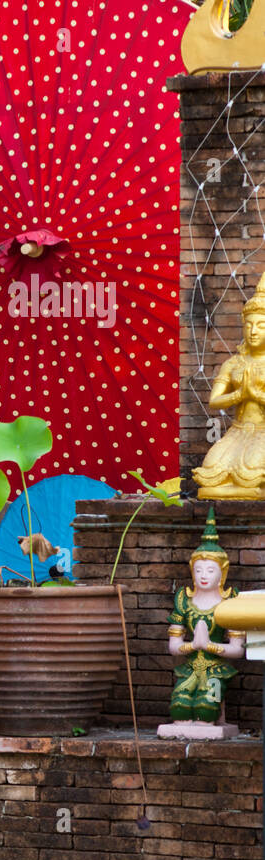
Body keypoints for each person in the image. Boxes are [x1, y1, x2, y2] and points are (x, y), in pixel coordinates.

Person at [166, 510, 245, 725]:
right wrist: (192, 645)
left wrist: (208, 645)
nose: (203, 575)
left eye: (210, 570)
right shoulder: (184, 600)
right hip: (190, 666)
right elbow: (173, 646)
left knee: (204, 710)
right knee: (179, 709)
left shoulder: (229, 602)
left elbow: (238, 649)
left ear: (223, 573)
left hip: (216, 668)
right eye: (199, 570)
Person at [194, 274, 265, 498]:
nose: (253, 332)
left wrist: (255, 395)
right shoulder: (233, 363)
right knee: (209, 472)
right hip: (238, 431)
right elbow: (214, 402)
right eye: (249, 325)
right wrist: (239, 394)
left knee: (251, 471)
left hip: (262, 433)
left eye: (261, 326)